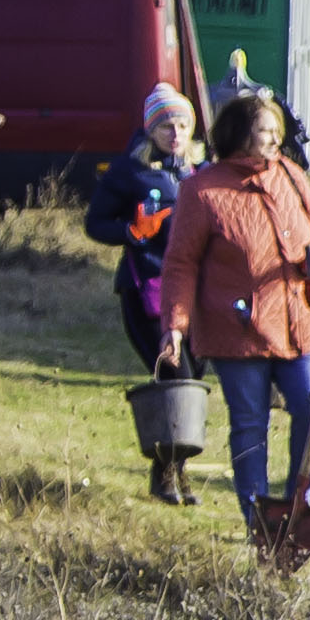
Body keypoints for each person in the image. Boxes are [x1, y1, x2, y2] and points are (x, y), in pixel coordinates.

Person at [158, 85, 310, 551]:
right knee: (249, 424)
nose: (274, 140)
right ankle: (257, 519)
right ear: (239, 134)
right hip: (237, 331)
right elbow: (180, 263)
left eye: (277, 131)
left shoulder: (291, 175)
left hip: (300, 324)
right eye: (265, 131)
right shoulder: (201, 191)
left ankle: (299, 505)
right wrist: (175, 326)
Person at [87, 84, 200, 501]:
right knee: (176, 378)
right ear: (150, 129)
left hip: (196, 296)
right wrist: (132, 233)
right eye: (166, 125)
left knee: (193, 383)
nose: (175, 132)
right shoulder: (130, 172)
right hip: (147, 290)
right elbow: (95, 223)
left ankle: (173, 474)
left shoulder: (199, 171)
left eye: (183, 124)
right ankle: (166, 476)